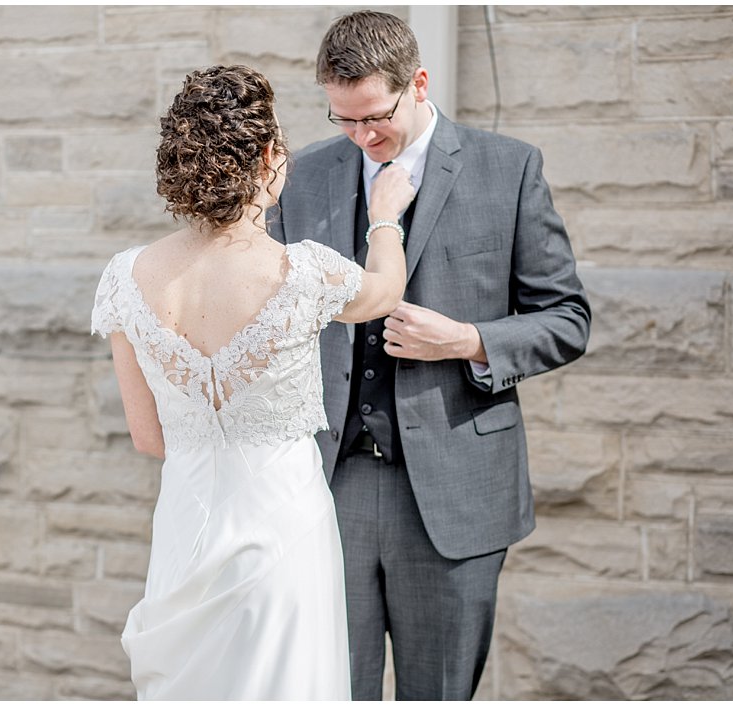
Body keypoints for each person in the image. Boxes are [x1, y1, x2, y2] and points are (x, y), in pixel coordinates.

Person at [268, 11, 592, 701]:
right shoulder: (302, 178)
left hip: (456, 486)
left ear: (417, 82)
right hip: (330, 486)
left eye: (375, 117)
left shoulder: (509, 168)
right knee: (326, 689)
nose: (361, 136)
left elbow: (567, 319)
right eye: (343, 120)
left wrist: (468, 341)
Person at [91, 65, 416, 700]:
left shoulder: (126, 277)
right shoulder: (304, 273)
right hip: (283, 527)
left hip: (187, 530)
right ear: (268, 157)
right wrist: (385, 217)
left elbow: (148, 436)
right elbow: (386, 292)